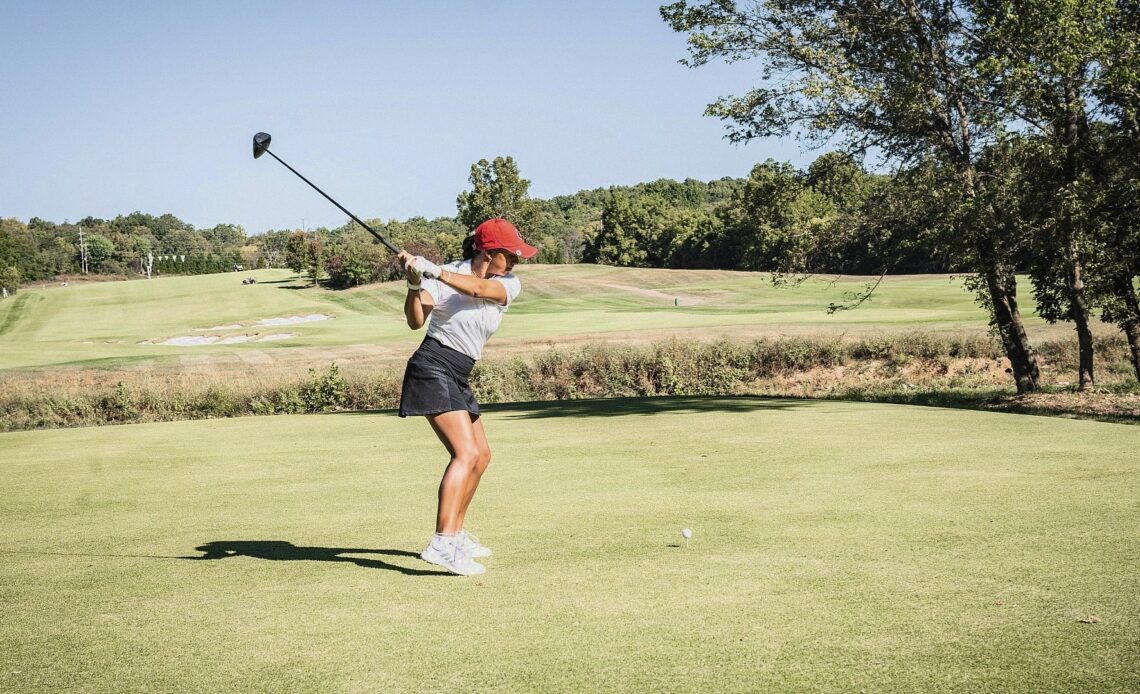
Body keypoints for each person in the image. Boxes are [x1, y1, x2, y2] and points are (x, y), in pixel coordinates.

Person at [397, 218, 538, 575]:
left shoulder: (508, 283)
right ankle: (442, 542)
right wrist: (415, 285)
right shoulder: (446, 275)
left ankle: (456, 535)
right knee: (466, 453)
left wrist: (432, 271)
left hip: (458, 372)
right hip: (432, 366)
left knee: (482, 455)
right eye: (512, 253)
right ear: (489, 252)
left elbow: (477, 290)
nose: (518, 260)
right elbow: (416, 322)